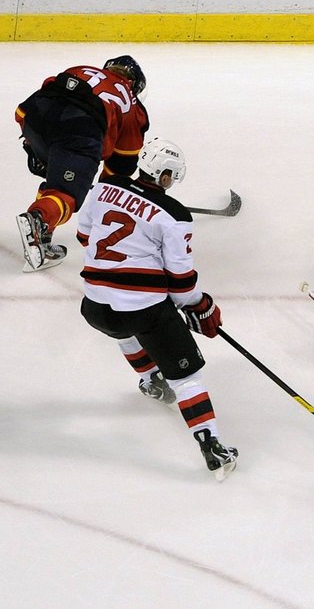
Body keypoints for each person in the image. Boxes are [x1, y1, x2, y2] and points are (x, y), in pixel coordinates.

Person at [77, 137, 238, 481]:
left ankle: (150, 380)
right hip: (142, 309)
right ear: (166, 176)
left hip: (93, 306)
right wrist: (202, 307)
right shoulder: (174, 216)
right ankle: (212, 444)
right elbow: (180, 281)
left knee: (123, 324)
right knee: (187, 377)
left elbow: (84, 237)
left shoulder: (102, 189)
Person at [15, 55, 150, 272]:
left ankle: (43, 234)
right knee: (66, 192)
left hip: (32, 117)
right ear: (135, 83)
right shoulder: (131, 102)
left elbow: (39, 101)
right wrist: (107, 192)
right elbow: (123, 161)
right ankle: (38, 220)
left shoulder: (81, 68)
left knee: (57, 180)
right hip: (79, 130)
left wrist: (34, 144)